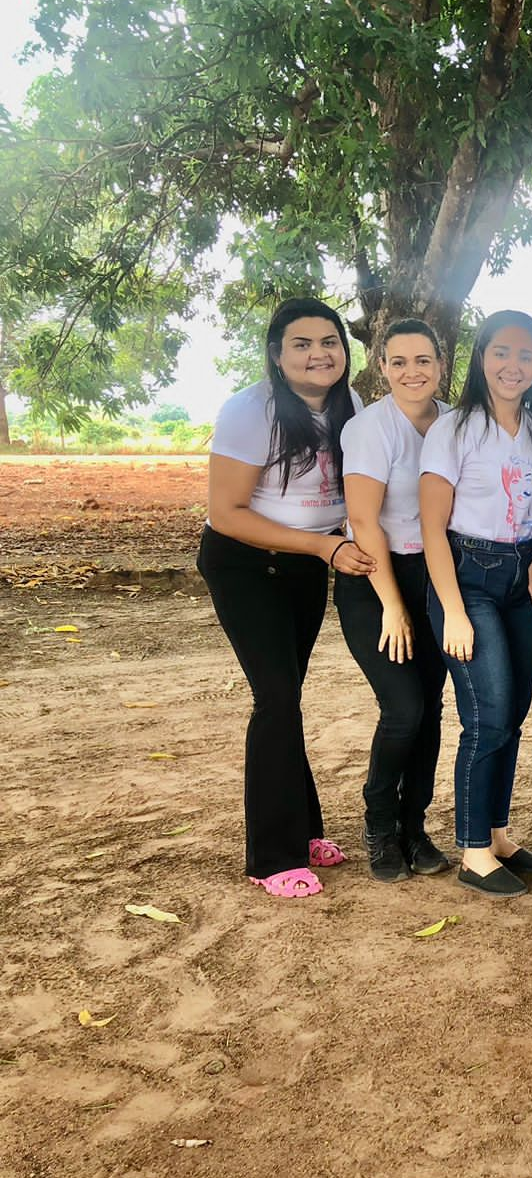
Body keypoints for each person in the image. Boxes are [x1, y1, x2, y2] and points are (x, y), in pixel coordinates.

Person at [199, 297, 374, 898]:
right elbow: (225, 515)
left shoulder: (354, 407)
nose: (318, 354)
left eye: (329, 341)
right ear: (277, 354)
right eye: (301, 344)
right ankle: (272, 856)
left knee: (287, 697)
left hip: (303, 565)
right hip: (246, 565)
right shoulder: (251, 410)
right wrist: (323, 547)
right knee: (275, 699)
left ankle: (302, 831)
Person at [419, 310, 532, 899]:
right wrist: (451, 608)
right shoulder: (453, 429)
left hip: (524, 579)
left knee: (514, 715)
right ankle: (473, 850)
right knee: (488, 715)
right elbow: (431, 527)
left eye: (526, 355)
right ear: (481, 358)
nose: (513, 365)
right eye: (501, 352)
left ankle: (498, 835)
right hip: (468, 577)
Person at [336, 318, 452, 881]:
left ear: (441, 363)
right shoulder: (370, 428)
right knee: (403, 708)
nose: (413, 372)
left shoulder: (454, 423)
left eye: (423, 360)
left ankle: (415, 826)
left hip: (436, 576)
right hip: (375, 579)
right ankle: (380, 826)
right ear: (382, 367)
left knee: (430, 710)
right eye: (399, 361)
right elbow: (362, 518)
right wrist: (393, 603)